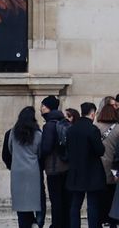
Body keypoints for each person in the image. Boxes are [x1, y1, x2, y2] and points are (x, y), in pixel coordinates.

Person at [4, 105, 45, 228]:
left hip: (17, 171)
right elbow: (40, 152)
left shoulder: (12, 133)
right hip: (33, 171)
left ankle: (25, 224)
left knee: (21, 204)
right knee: (36, 200)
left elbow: (10, 150)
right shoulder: (38, 134)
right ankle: (36, 223)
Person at [66, 102, 106, 228]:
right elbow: (100, 150)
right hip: (91, 172)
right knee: (92, 205)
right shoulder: (93, 130)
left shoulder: (71, 129)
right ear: (92, 113)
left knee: (75, 204)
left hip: (75, 171)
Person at [44, 95, 74, 228]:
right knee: (66, 199)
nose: (41, 109)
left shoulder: (49, 125)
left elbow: (46, 148)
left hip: (54, 168)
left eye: (43, 106)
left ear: (48, 108)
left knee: (56, 200)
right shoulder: (66, 123)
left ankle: (57, 225)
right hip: (67, 167)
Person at [94, 102, 118, 228]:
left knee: (98, 198)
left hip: (98, 167)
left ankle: (100, 220)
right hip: (113, 167)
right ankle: (111, 221)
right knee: (112, 197)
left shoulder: (96, 127)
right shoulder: (118, 128)